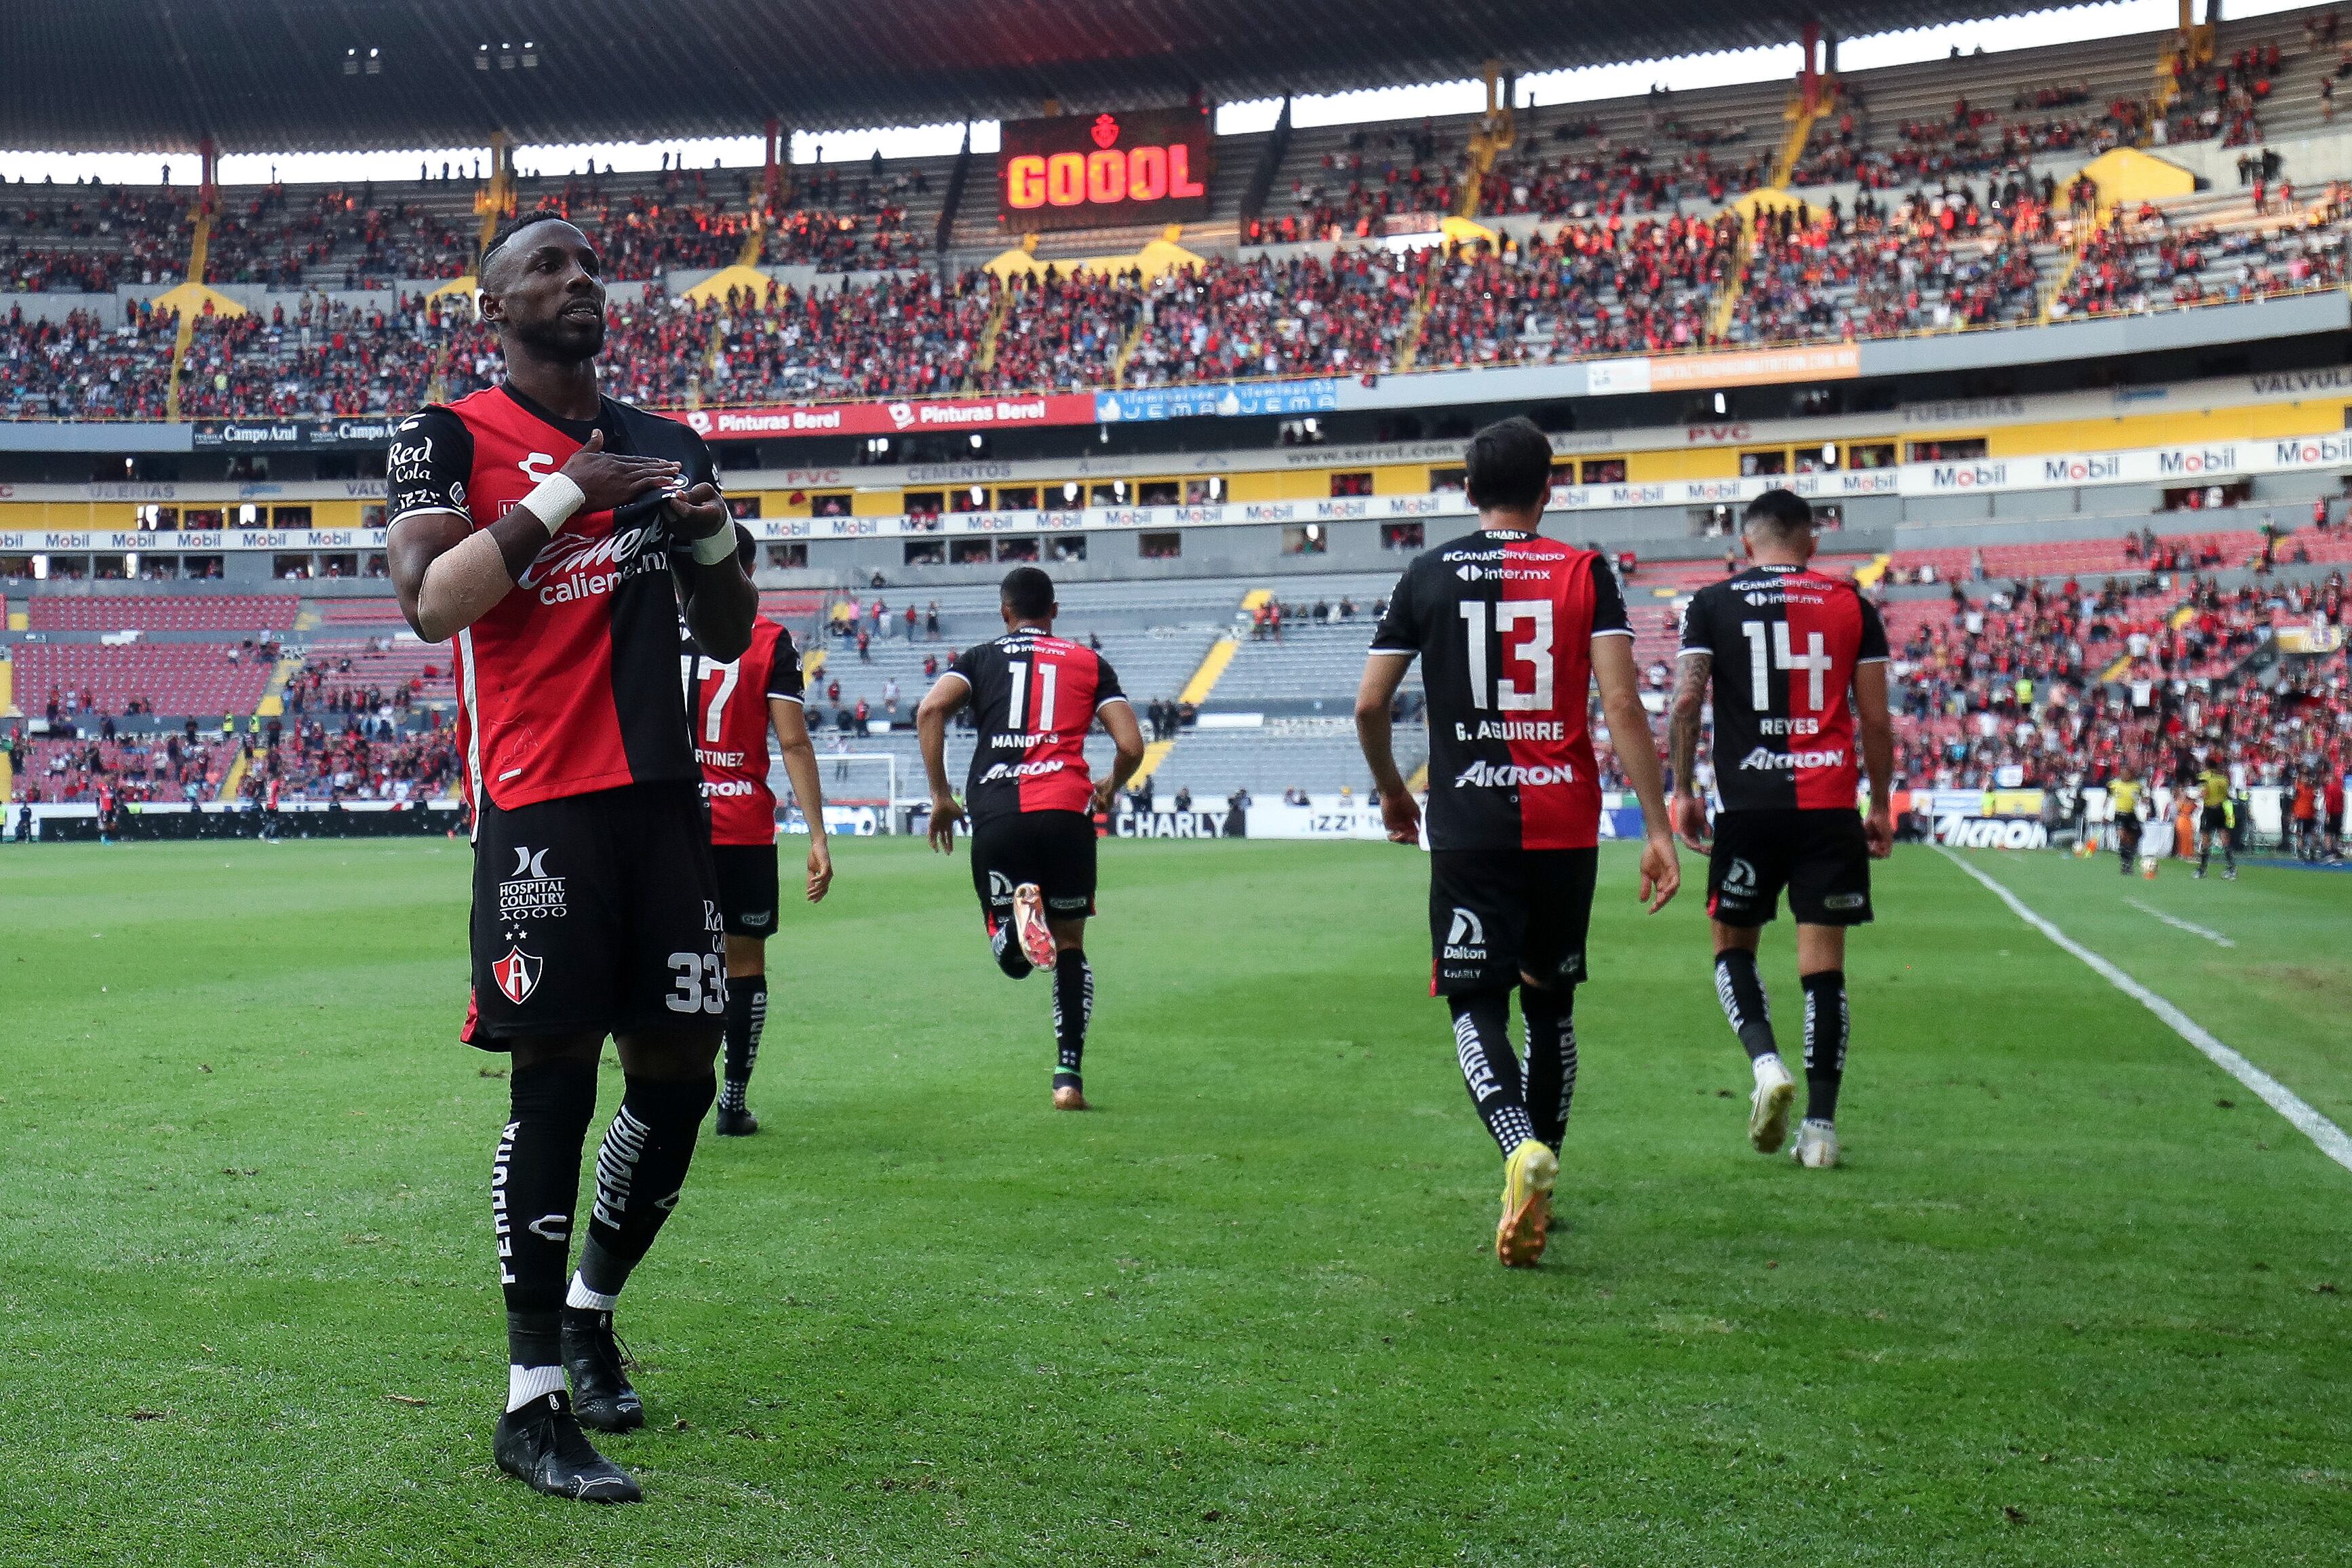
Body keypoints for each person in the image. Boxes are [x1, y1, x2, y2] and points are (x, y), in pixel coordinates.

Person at [384, 212, 757, 1504]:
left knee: (676, 1075)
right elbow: (432, 605)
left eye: (586, 262)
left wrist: (706, 533)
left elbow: (729, 620)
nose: (578, 276)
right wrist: (561, 497)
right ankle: (530, 1400)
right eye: (544, 265)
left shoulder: (667, 443)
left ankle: (594, 1307)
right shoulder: (444, 436)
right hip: (539, 803)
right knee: (550, 1079)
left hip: (663, 804)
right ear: (494, 308)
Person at [1355, 416, 1680, 1270]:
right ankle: (1543, 1169)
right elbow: (1620, 707)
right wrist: (1656, 825)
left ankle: (1515, 1149)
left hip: (1467, 822)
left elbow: (1369, 705)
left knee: (1474, 1001)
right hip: (1564, 820)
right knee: (1552, 1003)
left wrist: (1395, 790)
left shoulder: (1426, 572)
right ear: (1549, 489)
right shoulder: (1584, 571)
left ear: (1465, 490)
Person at [1669, 487, 1894, 1173]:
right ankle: (1821, 1130)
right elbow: (1877, 720)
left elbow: (1685, 701)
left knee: (1731, 946)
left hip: (1748, 805)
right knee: (1824, 969)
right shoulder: (1854, 605)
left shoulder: (1712, 603)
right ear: (1813, 543)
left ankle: (1766, 1065)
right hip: (1828, 805)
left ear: (1746, 544)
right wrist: (1879, 801)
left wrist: (1682, 790)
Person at [916, 567, 1146, 1110]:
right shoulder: (1089, 662)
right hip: (1066, 813)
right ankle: (1068, 1079)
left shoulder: (979, 658)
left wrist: (942, 795)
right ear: (1054, 610)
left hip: (998, 813)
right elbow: (1132, 744)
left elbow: (930, 709)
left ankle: (1013, 933)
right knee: (1071, 946)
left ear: (1005, 612)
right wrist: (1110, 785)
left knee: (1013, 959)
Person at [684, 528, 835, 1136]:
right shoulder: (768, 637)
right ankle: (733, 1100)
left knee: (664, 958)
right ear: (745, 572)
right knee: (744, 962)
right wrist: (818, 835)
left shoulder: (651, 630)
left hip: (666, 823)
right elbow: (793, 740)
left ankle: (668, 1090)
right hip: (740, 825)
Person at [2193, 759, 2237, 880]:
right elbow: (2227, 795)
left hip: (2209, 811)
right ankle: (2231, 869)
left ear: (2206, 766)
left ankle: (2202, 870)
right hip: (2221, 810)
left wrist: (2192, 798)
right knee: (2225, 839)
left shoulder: (2205, 777)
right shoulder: (2223, 779)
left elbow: (2204, 793)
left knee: (2205, 840)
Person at [2109, 773, 2146, 876]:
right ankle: (2125, 862)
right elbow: (2108, 798)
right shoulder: (2114, 784)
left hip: (2131, 815)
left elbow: (2143, 798)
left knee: (2135, 837)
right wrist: (2106, 813)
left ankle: (2129, 860)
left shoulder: (2137, 786)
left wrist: (2145, 805)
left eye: (2127, 772)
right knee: (2123, 837)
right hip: (2120, 814)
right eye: (2123, 771)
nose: (2125, 774)